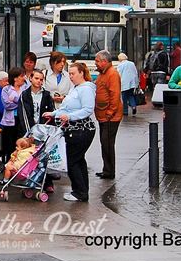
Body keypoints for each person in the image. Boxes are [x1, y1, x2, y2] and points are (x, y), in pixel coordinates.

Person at [43, 62, 96, 202]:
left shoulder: (86, 89)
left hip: (81, 130)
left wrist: (69, 116)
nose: (70, 77)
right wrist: (54, 114)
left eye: (73, 74)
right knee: (79, 160)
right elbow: (66, 107)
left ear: (82, 74)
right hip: (73, 129)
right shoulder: (76, 88)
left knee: (72, 161)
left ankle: (79, 192)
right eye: (70, 73)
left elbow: (88, 109)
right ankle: (82, 191)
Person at [93, 51, 122, 180]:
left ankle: (110, 171)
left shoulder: (112, 74)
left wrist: (110, 112)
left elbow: (114, 95)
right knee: (104, 143)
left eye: (97, 61)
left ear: (105, 61)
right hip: (103, 115)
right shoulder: (102, 74)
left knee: (107, 143)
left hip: (110, 117)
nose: (95, 64)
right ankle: (107, 169)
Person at [0, 68, 25, 162]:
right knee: (10, 146)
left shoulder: (25, 88)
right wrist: (19, 103)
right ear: (15, 78)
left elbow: (26, 103)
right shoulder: (6, 89)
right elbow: (7, 105)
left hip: (21, 120)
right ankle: (9, 165)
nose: (24, 78)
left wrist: (15, 100)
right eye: (21, 76)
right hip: (9, 121)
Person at [116, 52, 139, 116]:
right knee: (131, 95)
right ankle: (133, 106)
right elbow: (135, 73)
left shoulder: (120, 65)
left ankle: (125, 111)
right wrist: (136, 83)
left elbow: (118, 74)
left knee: (124, 98)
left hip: (124, 84)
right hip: (132, 83)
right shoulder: (132, 63)